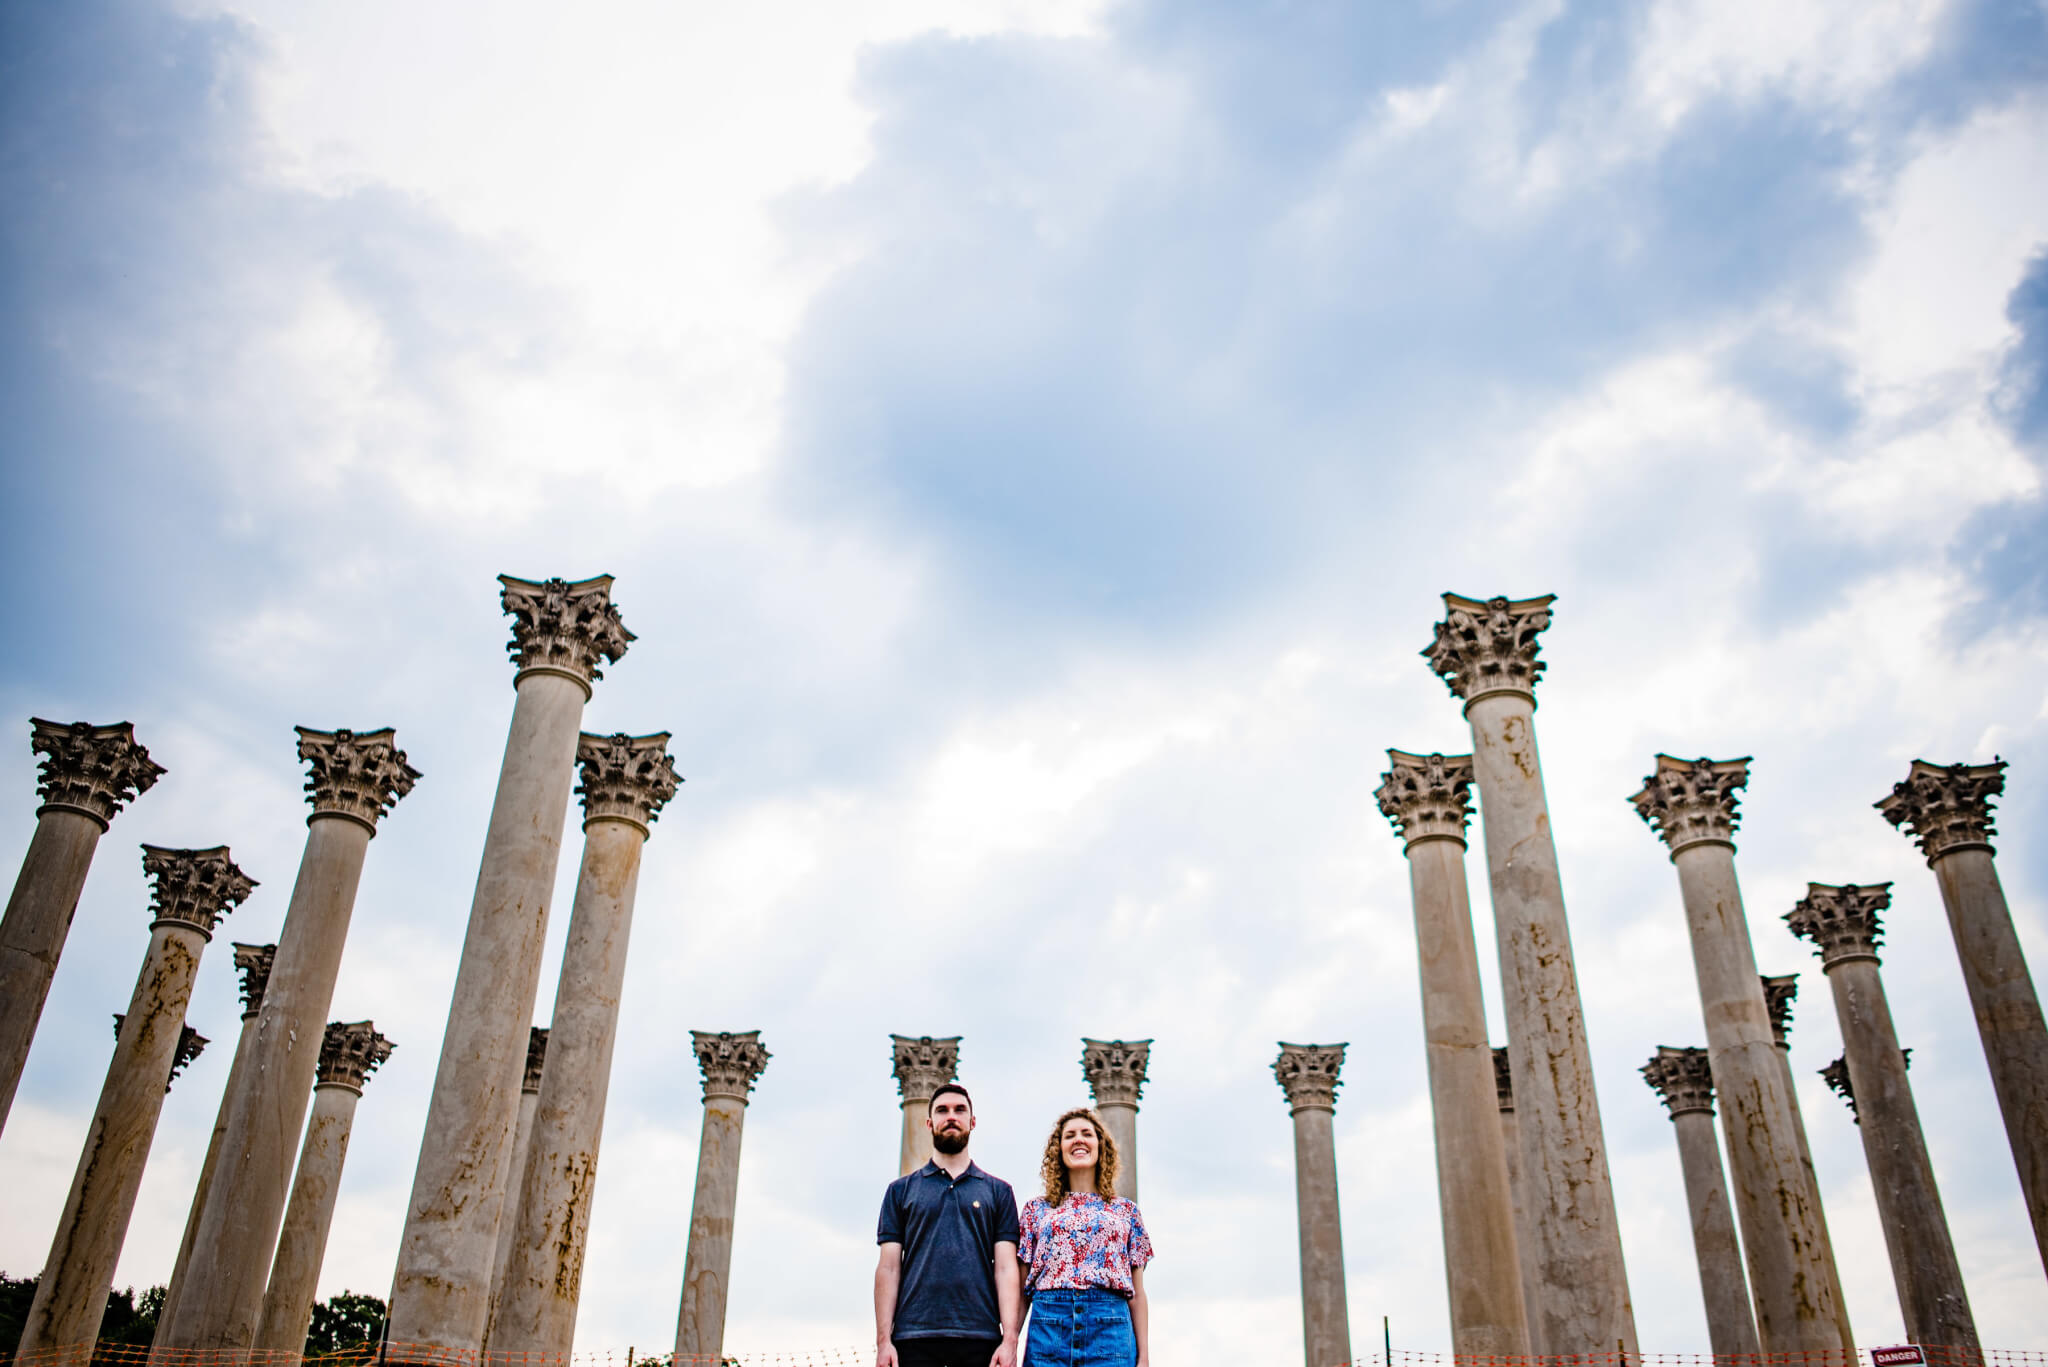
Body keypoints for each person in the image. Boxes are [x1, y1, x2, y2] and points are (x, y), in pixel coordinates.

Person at [875, 1082, 1023, 1367]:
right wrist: (883, 1342)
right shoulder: (900, 1191)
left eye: (959, 1110)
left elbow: (1005, 1269)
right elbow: (889, 1268)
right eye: (942, 1111)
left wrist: (1010, 1339)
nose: (951, 1116)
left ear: (972, 1121)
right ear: (929, 1123)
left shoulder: (999, 1192)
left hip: (980, 1338)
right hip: (913, 1338)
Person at [1017, 1107, 1152, 1367]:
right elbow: (1022, 1289)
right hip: (1049, 1327)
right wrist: (1010, 1340)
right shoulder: (1036, 1210)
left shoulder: (1126, 1211)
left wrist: (1144, 1355)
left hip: (1110, 1329)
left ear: (1100, 1146)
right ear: (1059, 1149)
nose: (1079, 1139)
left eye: (1086, 1134)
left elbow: (1137, 1293)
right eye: (1070, 1135)